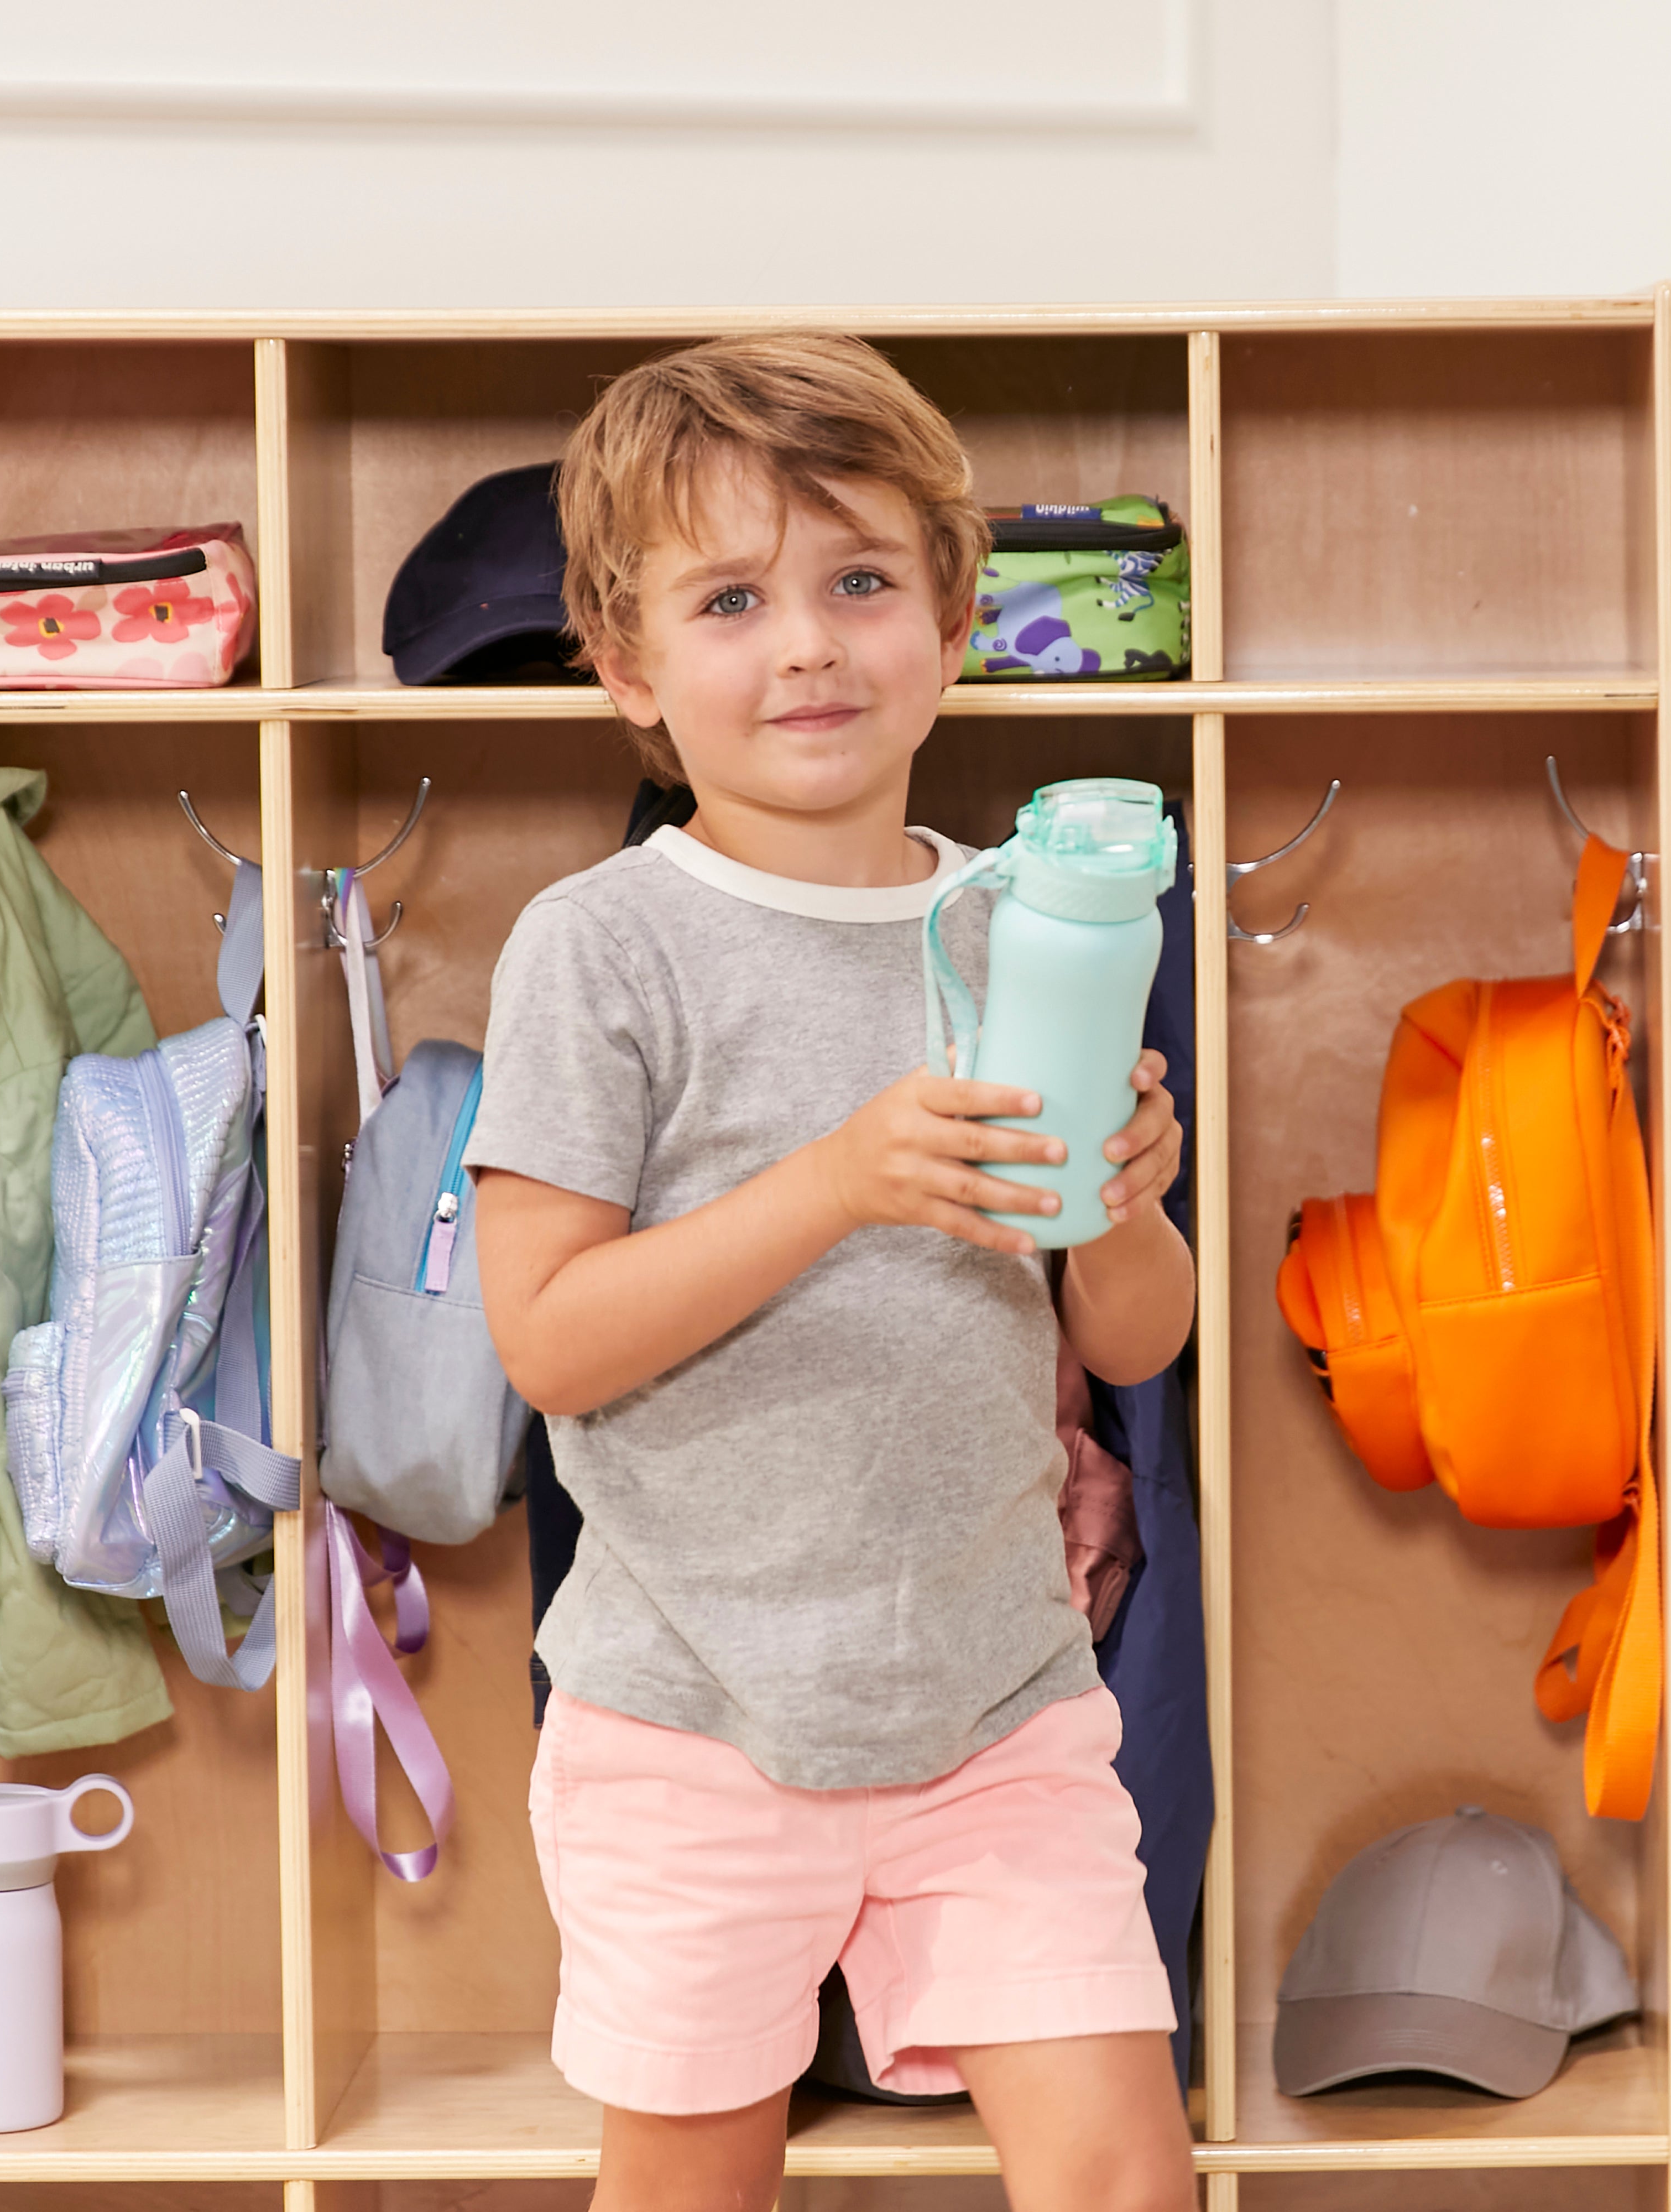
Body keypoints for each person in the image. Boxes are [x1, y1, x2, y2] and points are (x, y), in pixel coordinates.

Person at [465, 332, 1198, 2212]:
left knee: (1126, 2172)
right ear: (627, 667)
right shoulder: (601, 947)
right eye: (731, 600)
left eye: (861, 581)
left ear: (954, 623)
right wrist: (839, 1181)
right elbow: (548, 1340)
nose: (807, 644)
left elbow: (1131, 1333)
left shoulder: (1026, 919)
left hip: (997, 1703)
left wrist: (1121, 1202)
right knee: (696, 2184)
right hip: (691, 1713)